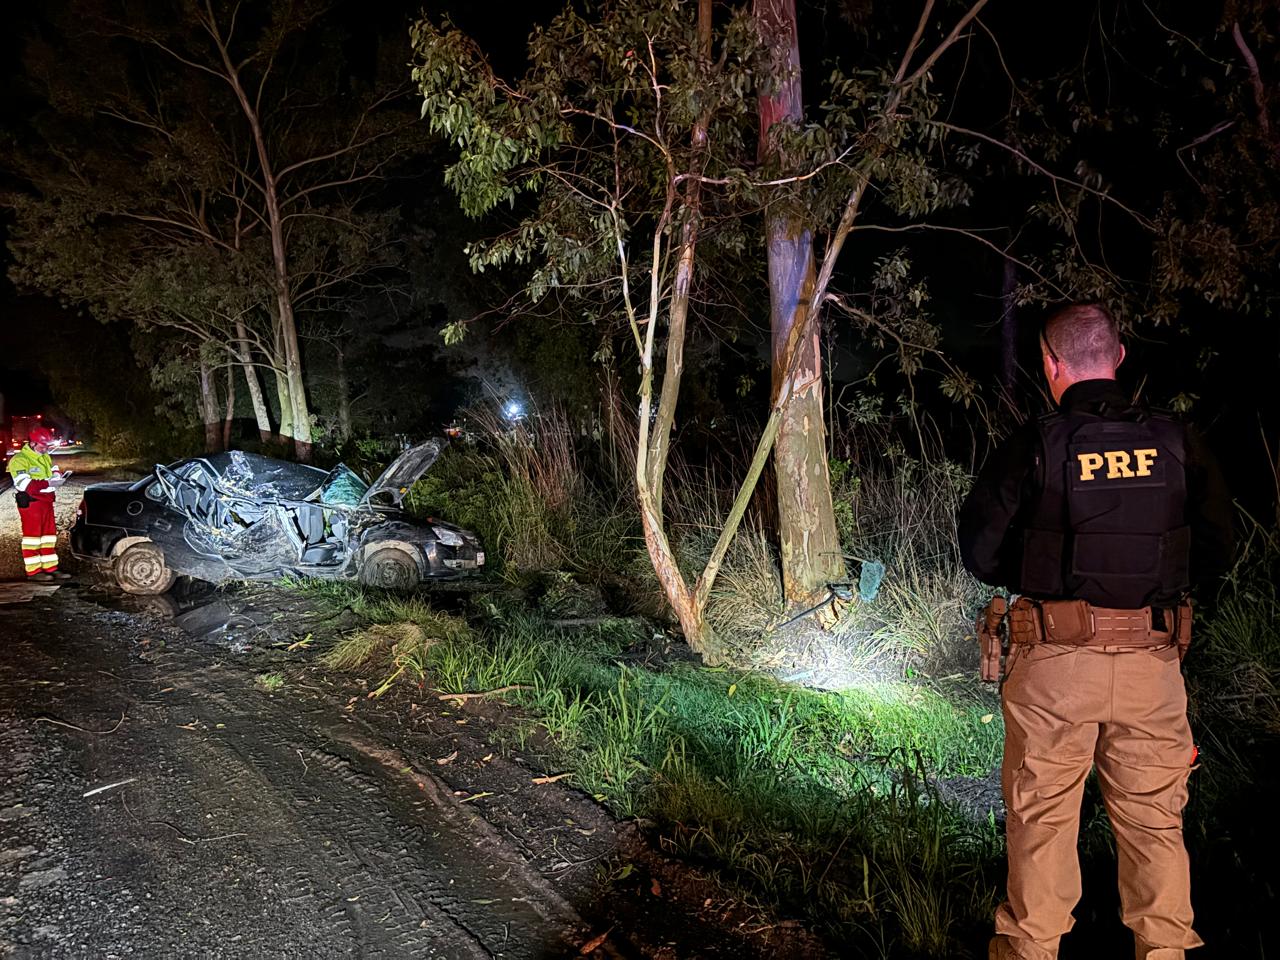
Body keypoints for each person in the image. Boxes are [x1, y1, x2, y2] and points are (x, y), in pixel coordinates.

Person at [958, 303, 1234, 960]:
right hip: (1153, 662)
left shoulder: (1038, 443)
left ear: (1051, 365)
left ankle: (1031, 950)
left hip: (1054, 664)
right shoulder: (1177, 441)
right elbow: (1219, 546)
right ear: (1117, 357)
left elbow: (980, 552)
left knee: (1043, 823)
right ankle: (1165, 950)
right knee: (1155, 824)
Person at [7, 425, 72, 582]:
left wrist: (57, 476)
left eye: (47, 446)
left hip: (46, 501)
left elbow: (51, 469)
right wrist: (48, 482)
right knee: (32, 538)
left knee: (48, 537)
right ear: (33, 443)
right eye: (43, 446)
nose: (45, 449)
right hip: (32, 504)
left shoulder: (44, 456)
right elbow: (25, 485)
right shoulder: (19, 460)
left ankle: (51, 568)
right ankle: (34, 572)